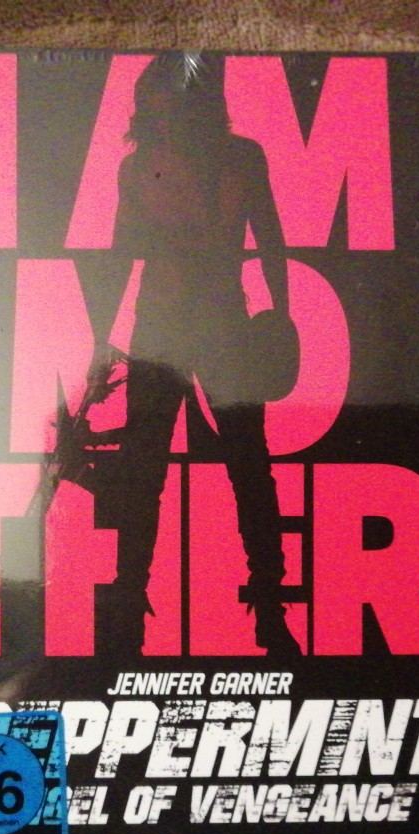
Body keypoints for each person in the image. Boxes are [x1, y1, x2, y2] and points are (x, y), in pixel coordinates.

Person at [98, 55, 301, 659]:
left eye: (172, 107)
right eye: (155, 108)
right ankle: (128, 614)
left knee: (248, 468)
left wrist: (281, 317)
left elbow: (271, 237)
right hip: (161, 326)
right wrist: (99, 336)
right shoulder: (139, 169)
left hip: (222, 323)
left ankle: (269, 611)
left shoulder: (240, 158)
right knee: (147, 473)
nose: (162, 118)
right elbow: (121, 252)